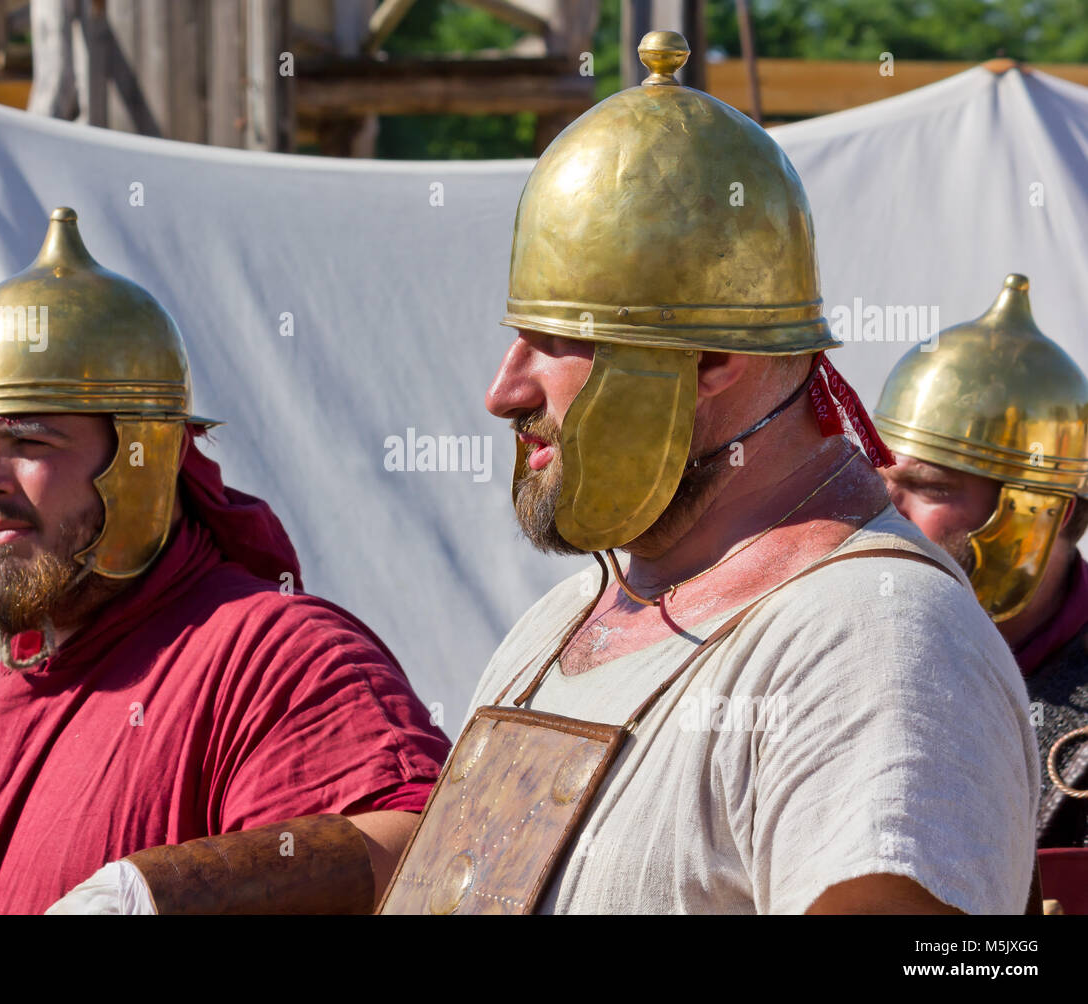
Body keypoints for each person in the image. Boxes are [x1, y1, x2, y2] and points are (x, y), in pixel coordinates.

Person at [377, 32, 1038, 915]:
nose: (503, 392)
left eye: (564, 339)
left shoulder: (877, 645)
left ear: (713, 356)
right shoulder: (561, 623)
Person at [0, 207, 450, 915]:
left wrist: (169, 896)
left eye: (29, 442)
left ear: (143, 459)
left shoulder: (279, 662)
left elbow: (427, 851)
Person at [874, 274, 1088, 868]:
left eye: (931, 488)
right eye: (879, 482)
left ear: (1042, 515)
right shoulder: (824, 649)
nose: (885, 515)